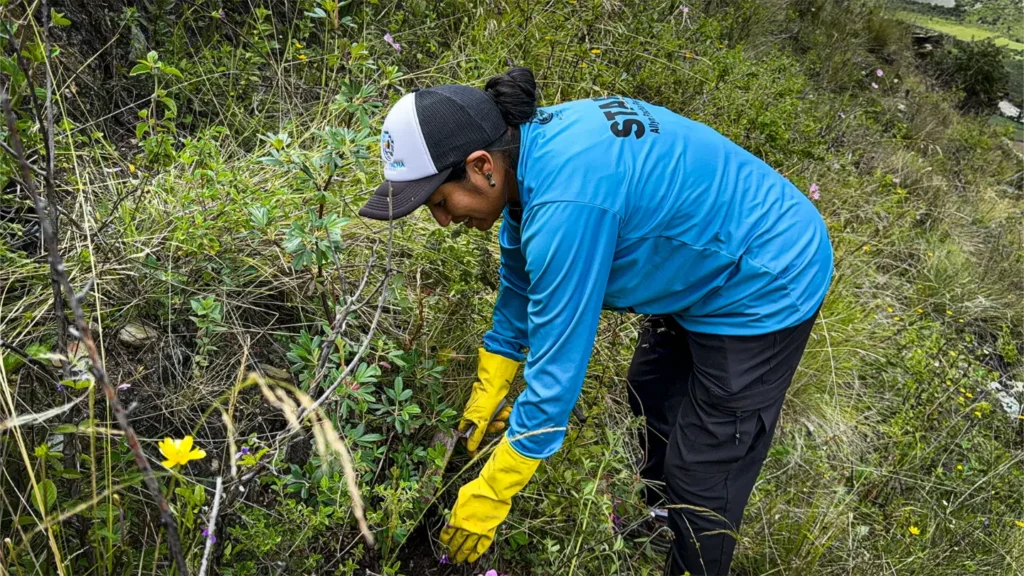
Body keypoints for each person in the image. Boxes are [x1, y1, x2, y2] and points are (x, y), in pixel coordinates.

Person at [358, 67, 833, 575]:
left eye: (438, 202)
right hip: (704, 258)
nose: (444, 221)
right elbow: (520, 284)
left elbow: (555, 379)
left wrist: (492, 493)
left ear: (480, 166)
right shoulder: (529, 155)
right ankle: (658, 517)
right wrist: (488, 391)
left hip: (766, 274)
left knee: (704, 470)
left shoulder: (569, 202)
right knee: (650, 394)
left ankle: (694, 549)